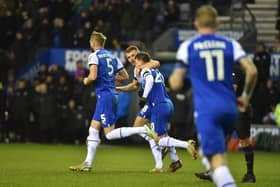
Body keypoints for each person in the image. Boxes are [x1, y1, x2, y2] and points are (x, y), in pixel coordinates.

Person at [176, 5, 257, 187]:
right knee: (219, 145)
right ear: (218, 23)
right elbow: (252, 71)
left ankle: (241, 173)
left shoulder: (190, 47)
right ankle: (216, 171)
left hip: (217, 106)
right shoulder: (231, 47)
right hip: (231, 107)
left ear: (196, 23)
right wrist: (247, 96)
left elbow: (176, 81)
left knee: (224, 148)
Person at [69, 31, 156, 172]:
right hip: (110, 94)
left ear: (92, 43)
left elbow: (92, 76)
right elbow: (124, 76)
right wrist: (109, 79)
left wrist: (85, 80)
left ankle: (142, 129)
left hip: (105, 96)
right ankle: (87, 163)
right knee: (93, 129)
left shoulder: (94, 56)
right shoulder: (112, 56)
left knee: (109, 134)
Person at [116, 45, 182, 172]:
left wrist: (145, 69)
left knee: (151, 131)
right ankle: (173, 158)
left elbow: (156, 63)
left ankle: (163, 154)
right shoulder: (137, 69)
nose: (131, 59)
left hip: (156, 101)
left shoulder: (146, 65)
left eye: (133, 55)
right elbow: (135, 85)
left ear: (139, 54)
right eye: (128, 57)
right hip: (154, 101)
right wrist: (121, 89)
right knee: (149, 130)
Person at [133, 51, 197, 173]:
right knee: (162, 137)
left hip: (158, 106)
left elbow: (150, 80)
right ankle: (174, 161)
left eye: (136, 61)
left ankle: (186, 145)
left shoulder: (146, 70)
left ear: (142, 61)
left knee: (158, 139)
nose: (136, 64)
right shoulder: (157, 72)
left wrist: (144, 96)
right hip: (167, 104)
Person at [195, 64, 257, 183]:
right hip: (229, 108)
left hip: (239, 109)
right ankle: (213, 171)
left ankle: (250, 174)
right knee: (219, 138)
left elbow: (232, 88)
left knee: (244, 140)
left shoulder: (234, 68)